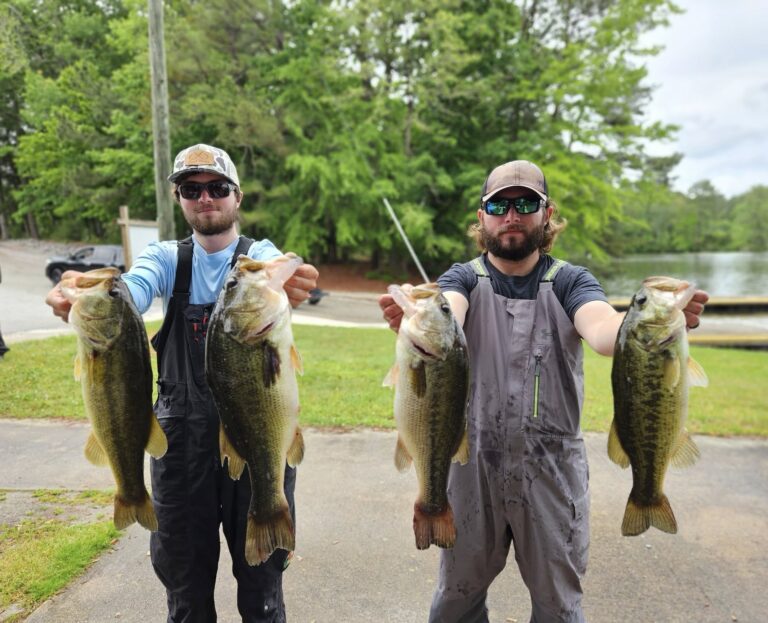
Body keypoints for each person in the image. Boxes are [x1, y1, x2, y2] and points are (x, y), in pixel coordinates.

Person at [378, 160, 708, 623]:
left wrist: (648, 326)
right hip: (472, 469)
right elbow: (447, 309)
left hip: (553, 473)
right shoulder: (463, 279)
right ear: (482, 217)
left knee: (559, 606)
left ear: (546, 214)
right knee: (456, 597)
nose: (512, 215)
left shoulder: (572, 281)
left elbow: (603, 330)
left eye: (525, 203)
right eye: (499, 204)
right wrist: (425, 318)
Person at [46, 143, 319, 623]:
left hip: (254, 436)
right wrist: (88, 296)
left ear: (236, 197)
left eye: (217, 188)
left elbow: (288, 267)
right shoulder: (167, 258)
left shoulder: (259, 258)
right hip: (177, 442)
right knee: (185, 584)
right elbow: (130, 287)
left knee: (262, 587)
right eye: (191, 189)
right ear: (179, 198)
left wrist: (293, 278)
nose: (205, 198)